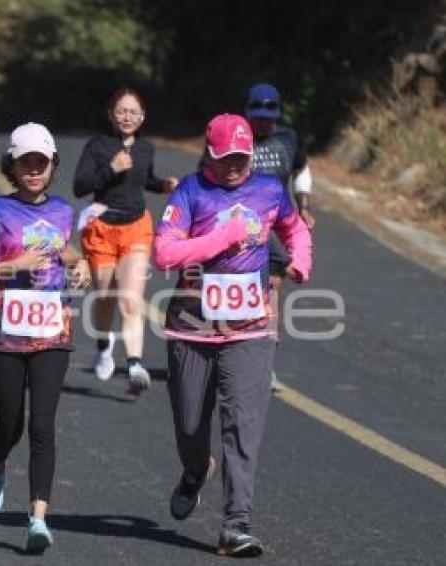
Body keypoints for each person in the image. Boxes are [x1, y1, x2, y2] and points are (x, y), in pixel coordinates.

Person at [153, 114, 312, 556]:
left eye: (242, 158)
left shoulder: (268, 190)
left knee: (243, 425)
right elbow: (163, 252)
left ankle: (235, 524)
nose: (236, 166)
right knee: (190, 424)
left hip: (250, 328)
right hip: (193, 325)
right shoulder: (190, 192)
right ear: (210, 154)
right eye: (227, 159)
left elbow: (294, 227)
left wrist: (300, 259)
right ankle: (193, 471)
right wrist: (222, 237)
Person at [0, 123, 90, 554]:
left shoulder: (63, 212)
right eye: (25, 162)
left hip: (52, 329)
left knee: (42, 425)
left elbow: (62, 249)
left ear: (52, 166)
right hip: (4, 334)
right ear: (12, 165)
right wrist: (13, 265)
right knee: (10, 425)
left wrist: (80, 263)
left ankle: (38, 520)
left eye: (41, 162)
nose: (33, 170)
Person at [73, 88, 178, 393]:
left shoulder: (146, 148)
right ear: (111, 114)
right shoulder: (98, 146)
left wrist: (164, 185)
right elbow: (80, 186)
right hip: (102, 229)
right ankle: (104, 346)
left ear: (143, 117)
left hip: (136, 227)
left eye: (134, 112)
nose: (127, 117)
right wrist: (111, 169)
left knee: (130, 300)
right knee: (105, 298)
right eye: (121, 111)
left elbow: (145, 179)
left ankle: (134, 364)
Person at [244, 83, 315, 391]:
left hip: (275, 223)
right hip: (239, 226)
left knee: (270, 290)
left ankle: (264, 365)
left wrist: (304, 207)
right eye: (257, 116)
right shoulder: (235, 135)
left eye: (267, 116)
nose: (262, 122)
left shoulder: (288, 138)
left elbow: (300, 170)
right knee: (241, 291)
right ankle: (229, 356)